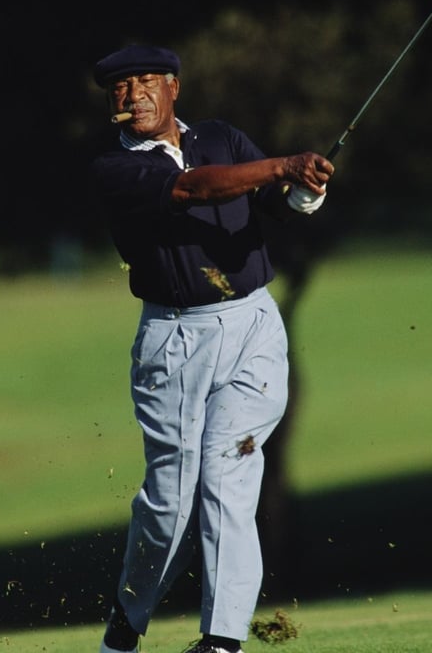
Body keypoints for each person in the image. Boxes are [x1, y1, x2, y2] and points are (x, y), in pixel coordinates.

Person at [90, 43, 334, 653]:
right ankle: (127, 621)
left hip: (252, 326)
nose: (135, 94)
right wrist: (283, 165)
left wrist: (305, 189)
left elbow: (273, 206)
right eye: (121, 87)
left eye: (148, 81)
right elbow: (195, 190)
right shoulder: (117, 169)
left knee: (228, 472)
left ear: (175, 88)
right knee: (170, 502)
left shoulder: (222, 137)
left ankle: (220, 641)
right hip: (173, 342)